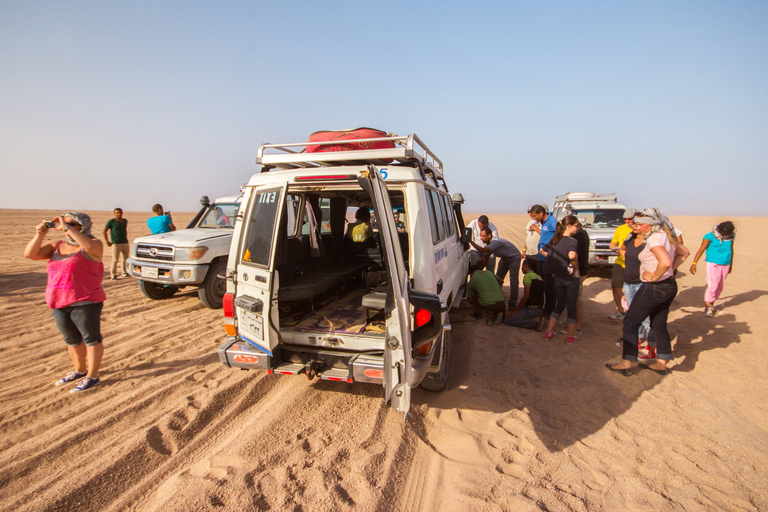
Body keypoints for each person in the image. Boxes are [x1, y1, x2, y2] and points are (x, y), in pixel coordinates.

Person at [24, 212, 106, 392]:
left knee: (91, 339)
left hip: (86, 300)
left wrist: (67, 228)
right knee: (72, 340)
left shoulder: (93, 245)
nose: (64, 227)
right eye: (63, 223)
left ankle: (92, 376)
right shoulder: (56, 246)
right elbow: (30, 254)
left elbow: (88, 245)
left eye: (70, 223)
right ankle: (80, 370)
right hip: (58, 301)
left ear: (82, 226)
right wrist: (40, 233)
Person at [607, 208, 690, 376]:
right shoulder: (667, 235)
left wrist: (655, 276)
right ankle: (661, 363)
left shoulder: (653, 238)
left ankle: (626, 363)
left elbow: (665, 261)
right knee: (659, 325)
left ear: (649, 225)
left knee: (630, 322)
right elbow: (685, 253)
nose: (635, 225)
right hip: (669, 285)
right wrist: (669, 273)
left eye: (640, 223)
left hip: (654, 287)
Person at [540, 215, 581, 344]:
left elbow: (541, 250)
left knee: (559, 305)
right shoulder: (572, 241)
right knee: (572, 307)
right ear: (569, 226)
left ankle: (549, 332)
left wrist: (553, 257)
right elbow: (572, 254)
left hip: (557, 277)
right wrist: (573, 259)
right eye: (577, 226)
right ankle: (570, 336)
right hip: (571, 278)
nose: (578, 228)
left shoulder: (555, 239)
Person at [689, 221, 735, 317]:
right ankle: (708, 307)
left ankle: (711, 305)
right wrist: (694, 263)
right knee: (713, 285)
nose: (725, 235)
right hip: (713, 263)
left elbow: (731, 249)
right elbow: (701, 249)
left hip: (725, 263)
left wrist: (731, 264)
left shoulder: (731, 236)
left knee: (720, 286)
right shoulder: (709, 236)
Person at [470, 227, 522, 307]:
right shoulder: (488, 243)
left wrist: (470, 241)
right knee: (498, 279)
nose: (481, 238)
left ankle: (512, 304)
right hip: (504, 258)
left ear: (489, 235)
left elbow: (482, 251)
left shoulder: (495, 241)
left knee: (513, 281)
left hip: (514, 258)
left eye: (483, 236)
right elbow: (486, 257)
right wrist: (480, 269)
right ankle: (497, 299)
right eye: (480, 236)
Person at [607, 209, 636, 320]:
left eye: (630, 219)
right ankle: (620, 310)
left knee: (633, 288)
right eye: (625, 219)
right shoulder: (620, 229)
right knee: (615, 285)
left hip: (634, 264)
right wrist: (613, 248)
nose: (627, 221)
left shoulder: (639, 230)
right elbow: (613, 243)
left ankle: (632, 312)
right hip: (620, 262)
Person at [531, 204, 558, 322]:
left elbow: (560, 233)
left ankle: (549, 311)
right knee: (543, 283)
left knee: (550, 286)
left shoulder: (552, 221)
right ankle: (543, 308)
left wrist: (551, 246)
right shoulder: (544, 222)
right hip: (542, 258)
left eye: (535, 216)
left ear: (541, 213)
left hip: (548, 259)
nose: (534, 219)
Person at [503, 258, 545, 329]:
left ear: (526, 266)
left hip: (530, 309)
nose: (522, 269)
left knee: (507, 320)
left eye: (522, 267)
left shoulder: (527, 276)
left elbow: (526, 295)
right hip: (539, 309)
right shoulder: (539, 277)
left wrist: (516, 310)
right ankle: (537, 318)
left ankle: (535, 322)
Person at [466, 259, 506, 324]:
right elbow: (501, 281)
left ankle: (478, 312)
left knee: (475, 292)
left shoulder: (473, 279)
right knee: (498, 307)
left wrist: (474, 303)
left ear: (471, 273)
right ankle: (499, 313)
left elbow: (470, 299)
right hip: (501, 304)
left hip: (487, 305)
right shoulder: (488, 272)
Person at [573, 218, 590, 332]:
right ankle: (573, 321)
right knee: (573, 298)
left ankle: (577, 324)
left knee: (576, 299)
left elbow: (575, 256)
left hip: (577, 272)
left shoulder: (578, 236)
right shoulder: (583, 233)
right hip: (581, 270)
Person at [103, 207, 129, 280]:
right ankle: (113, 275)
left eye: (120, 213)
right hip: (116, 243)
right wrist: (107, 241)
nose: (119, 214)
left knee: (125, 258)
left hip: (125, 242)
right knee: (115, 260)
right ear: (114, 213)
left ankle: (124, 272)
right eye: (117, 213)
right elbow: (104, 231)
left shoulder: (125, 221)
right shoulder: (112, 222)